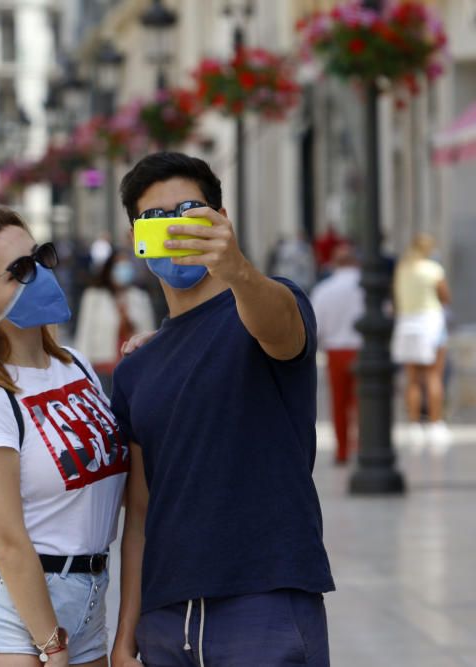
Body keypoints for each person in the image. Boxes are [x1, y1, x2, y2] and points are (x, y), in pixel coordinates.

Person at [109, 153, 334, 667]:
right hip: (166, 620)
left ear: (221, 220)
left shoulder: (271, 304)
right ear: (136, 238)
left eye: (190, 210)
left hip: (264, 601)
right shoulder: (135, 369)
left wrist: (236, 269)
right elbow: (139, 515)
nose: (176, 227)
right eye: (157, 218)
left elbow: (278, 329)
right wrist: (127, 633)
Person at [0, 209, 129, 667]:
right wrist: (51, 643)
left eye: (40, 257)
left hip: (88, 603)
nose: (41, 276)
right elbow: (6, 537)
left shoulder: (76, 365)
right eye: (19, 272)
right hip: (12, 619)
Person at [391, 233, 452, 449]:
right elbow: (445, 297)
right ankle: (435, 423)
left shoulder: (403, 269)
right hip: (430, 323)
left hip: (407, 324)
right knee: (433, 376)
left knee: (413, 379)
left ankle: (414, 423)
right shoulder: (433, 270)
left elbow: (396, 298)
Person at [310, 243, 364, 464]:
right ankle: (362, 448)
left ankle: (342, 450)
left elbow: (316, 325)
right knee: (362, 404)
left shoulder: (324, 290)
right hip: (363, 349)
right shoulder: (367, 287)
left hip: (335, 351)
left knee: (339, 403)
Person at [74, 249, 154, 396]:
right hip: (103, 365)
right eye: (119, 264)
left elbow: (149, 331)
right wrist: (81, 369)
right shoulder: (94, 296)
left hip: (133, 366)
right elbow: (85, 333)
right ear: (109, 268)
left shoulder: (140, 296)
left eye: (126, 264)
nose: (123, 268)